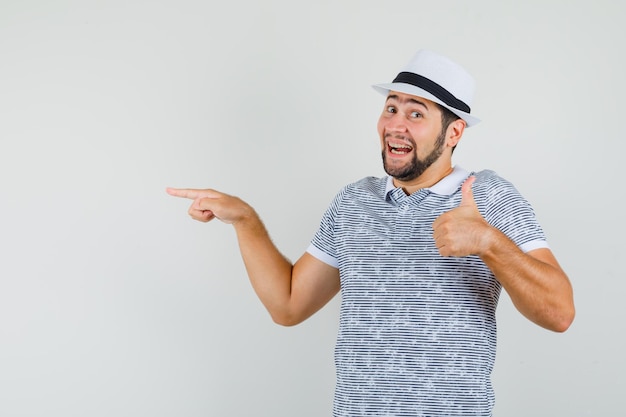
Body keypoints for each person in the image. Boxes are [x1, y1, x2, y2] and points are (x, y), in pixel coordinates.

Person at [166, 49, 575, 417]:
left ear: (453, 133)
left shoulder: (487, 196)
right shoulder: (353, 202)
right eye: (390, 108)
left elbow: (560, 313)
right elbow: (288, 306)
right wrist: (245, 220)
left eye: (416, 113)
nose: (396, 125)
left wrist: (489, 242)